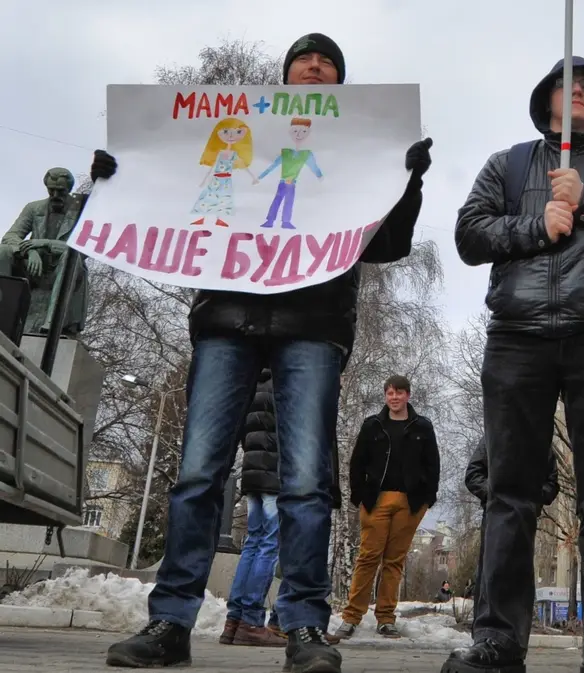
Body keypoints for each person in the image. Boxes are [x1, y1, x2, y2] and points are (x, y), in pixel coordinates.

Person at [105, 33, 433, 673]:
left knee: (307, 481)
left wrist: (407, 178)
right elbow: (178, 193)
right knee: (199, 472)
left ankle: (304, 628)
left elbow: (387, 244)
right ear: (283, 76)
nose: (315, 66)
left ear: (340, 85)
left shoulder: (357, 153)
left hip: (312, 322)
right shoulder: (241, 133)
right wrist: (124, 176)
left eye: (328, 62)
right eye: (303, 60)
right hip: (228, 315)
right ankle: (169, 622)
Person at [445, 55, 584, 673]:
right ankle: (496, 640)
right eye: (566, 85)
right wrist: (534, 226)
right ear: (545, 96)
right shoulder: (508, 163)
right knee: (509, 491)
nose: (579, 93)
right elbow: (469, 235)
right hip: (517, 336)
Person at [335, 375, 440, 640]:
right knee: (368, 557)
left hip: (410, 503)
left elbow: (432, 464)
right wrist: (360, 495)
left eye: (399, 393)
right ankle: (351, 617)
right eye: (390, 393)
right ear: (385, 396)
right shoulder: (372, 426)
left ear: (408, 395)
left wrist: (427, 498)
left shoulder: (422, 427)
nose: (394, 398)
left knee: (394, 561)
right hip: (376, 500)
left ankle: (386, 618)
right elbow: (357, 463)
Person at [464, 435, 560, 635]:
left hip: (526, 517)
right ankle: (484, 632)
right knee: (490, 573)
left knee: (520, 574)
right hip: (495, 515)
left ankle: (515, 633)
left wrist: (533, 498)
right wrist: (495, 495)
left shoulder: (541, 441)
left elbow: (552, 482)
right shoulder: (494, 435)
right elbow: (473, 475)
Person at [221, 368, 286, 648]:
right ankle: (251, 620)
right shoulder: (284, 381)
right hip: (274, 474)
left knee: (252, 544)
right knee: (268, 546)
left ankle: (233, 620)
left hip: (252, 472)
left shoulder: (251, 380)